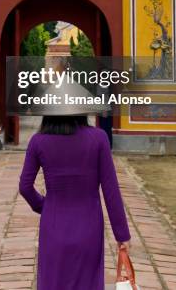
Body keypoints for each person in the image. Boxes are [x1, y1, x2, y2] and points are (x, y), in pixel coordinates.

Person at [19, 114, 131, 290]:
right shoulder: (99, 138)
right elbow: (111, 191)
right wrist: (121, 234)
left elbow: (25, 187)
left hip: (53, 224)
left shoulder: (38, 141)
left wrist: (44, 206)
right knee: (88, 282)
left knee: (53, 281)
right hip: (89, 226)